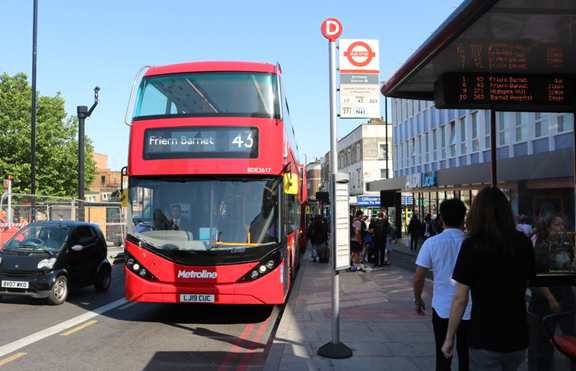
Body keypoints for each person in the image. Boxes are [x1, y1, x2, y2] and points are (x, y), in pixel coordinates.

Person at [441, 187, 536, 371]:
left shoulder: (473, 245)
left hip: (484, 336)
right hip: (517, 336)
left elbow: (461, 298)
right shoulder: (523, 243)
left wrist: (449, 338)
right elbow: (524, 284)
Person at [414, 198, 470, 371]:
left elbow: (418, 278)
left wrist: (418, 301)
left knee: (443, 358)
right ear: (463, 219)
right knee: (466, 358)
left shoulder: (432, 243)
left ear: (441, 218)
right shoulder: (473, 242)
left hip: (443, 309)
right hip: (470, 309)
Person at [528, 213, 576, 371]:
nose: (561, 228)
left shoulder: (563, 244)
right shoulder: (538, 245)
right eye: (557, 224)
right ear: (547, 227)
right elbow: (537, 274)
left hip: (565, 296)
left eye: (562, 224)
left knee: (572, 338)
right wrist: (550, 298)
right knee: (541, 344)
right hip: (544, 299)